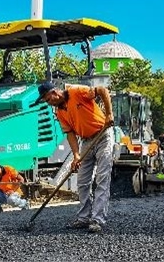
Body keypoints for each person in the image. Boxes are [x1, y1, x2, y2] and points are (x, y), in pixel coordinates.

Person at [34, 81, 114, 233]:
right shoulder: (59, 112)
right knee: (83, 181)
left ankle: (97, 219)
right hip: (86, 140)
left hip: (103, 134)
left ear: (54, 93)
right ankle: (84, 218)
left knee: (102, 178)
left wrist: (109, 114)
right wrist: (76, 156)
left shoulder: (77, 91)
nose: (48, 103)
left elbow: (102, 90)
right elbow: (70, 133)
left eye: (47, 99)